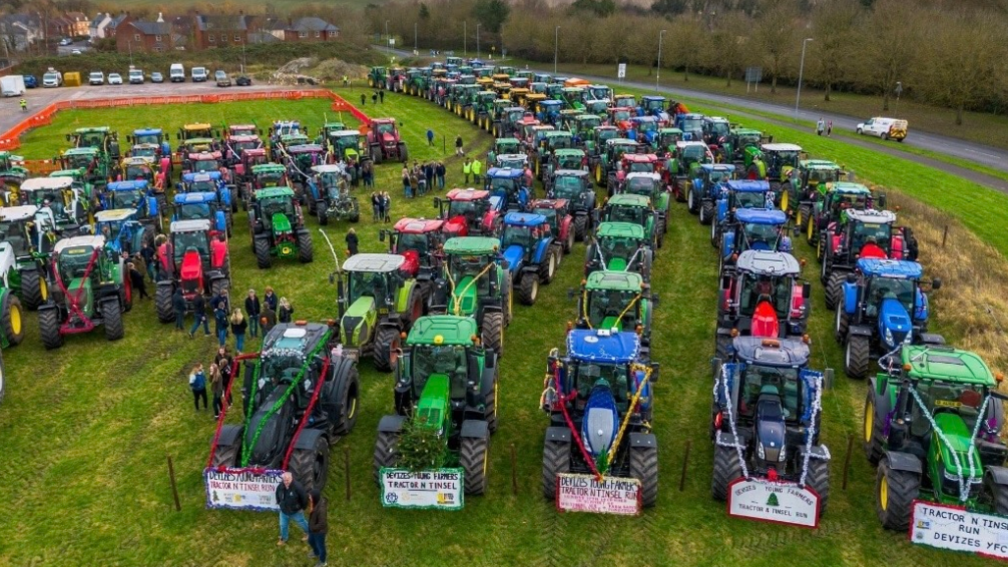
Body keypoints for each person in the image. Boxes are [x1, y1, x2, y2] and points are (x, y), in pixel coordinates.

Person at [275, 472, 309, 546]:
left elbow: (304, 498)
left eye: (287, 480)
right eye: (284, 480)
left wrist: (303, 508)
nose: (286, 482)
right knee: (283, 525)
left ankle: (309, 532)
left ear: (291, 478)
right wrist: (278, 502)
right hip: (284, 511)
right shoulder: (280, 486)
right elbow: (277, 493)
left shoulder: (298, 487)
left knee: (302, 522)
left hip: (295, 511)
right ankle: (284, 538)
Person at [308, 489, 329, 567]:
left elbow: (322, 524)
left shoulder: (321, 509)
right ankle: (316, 552)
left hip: (319, 532)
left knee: (321, 546)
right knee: (310, 541)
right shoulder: (314, 503)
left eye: (310, 497)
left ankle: (323, 561)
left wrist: (313, 527)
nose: (309, 498)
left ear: (315, 497)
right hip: (312, 528)